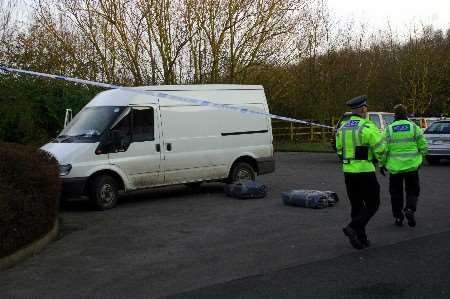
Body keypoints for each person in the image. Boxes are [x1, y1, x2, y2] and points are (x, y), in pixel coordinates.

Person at [336, 95, 386, 249]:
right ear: (363, 109)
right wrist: (382, 163)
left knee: (356, 206)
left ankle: (361, 239)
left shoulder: (342, 127)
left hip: (348, 172)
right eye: (366, 107)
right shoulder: (368, 126)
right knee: (373, 203)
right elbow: (380, 148)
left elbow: (339, 150)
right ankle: (352, 228)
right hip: (365, 171)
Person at [380, 104, 427, 227]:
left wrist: (382, 164)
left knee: (396, 193)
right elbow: (423, 145)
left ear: (394, 115)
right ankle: (410, 209)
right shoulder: (414, 127)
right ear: (406, 114)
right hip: (412, 167)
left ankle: (398, 217)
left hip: (395, 168)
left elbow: (384, 150)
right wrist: (421, 158)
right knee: (412, 190)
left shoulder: (389, 129)